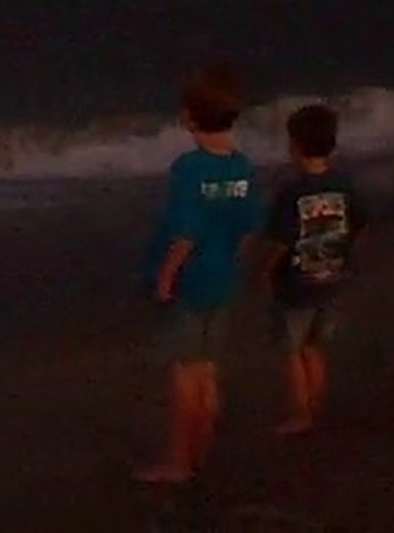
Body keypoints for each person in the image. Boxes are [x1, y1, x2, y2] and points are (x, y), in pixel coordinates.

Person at [135, 61, 263, 483]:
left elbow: (185, 233)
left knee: (184, 372)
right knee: (208, 367)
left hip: (191, 283)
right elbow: (248, 229)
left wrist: (165, 277)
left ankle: (179, 461)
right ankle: (202, 445)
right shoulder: (243, 167)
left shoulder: (189, 168)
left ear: (189, 117)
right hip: (225, 277)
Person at [262, 104, 367, 435]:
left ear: (294, 145)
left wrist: (265, 272)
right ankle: (316, 406)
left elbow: (281, 241)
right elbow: (360, 226)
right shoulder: (344, 186)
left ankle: (302, 413)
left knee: (293, 351)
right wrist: (345, 255)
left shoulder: (292, 192)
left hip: (295, 284)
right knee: (315, 347)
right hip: (331, 278)